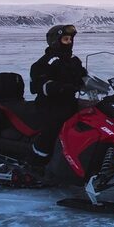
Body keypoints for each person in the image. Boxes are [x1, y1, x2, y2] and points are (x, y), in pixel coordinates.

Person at [29, 24, 86, 163]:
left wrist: (100, 83)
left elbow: (84, 75)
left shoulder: (73, 60)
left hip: (70, 102)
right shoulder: (45, 62)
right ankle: (37, 161)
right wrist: (59, 87)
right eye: (66, 39)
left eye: (70, 40)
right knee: (54, 128)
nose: (69, 43)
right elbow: (38, 85)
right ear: (56, 41)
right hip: (50, 105)